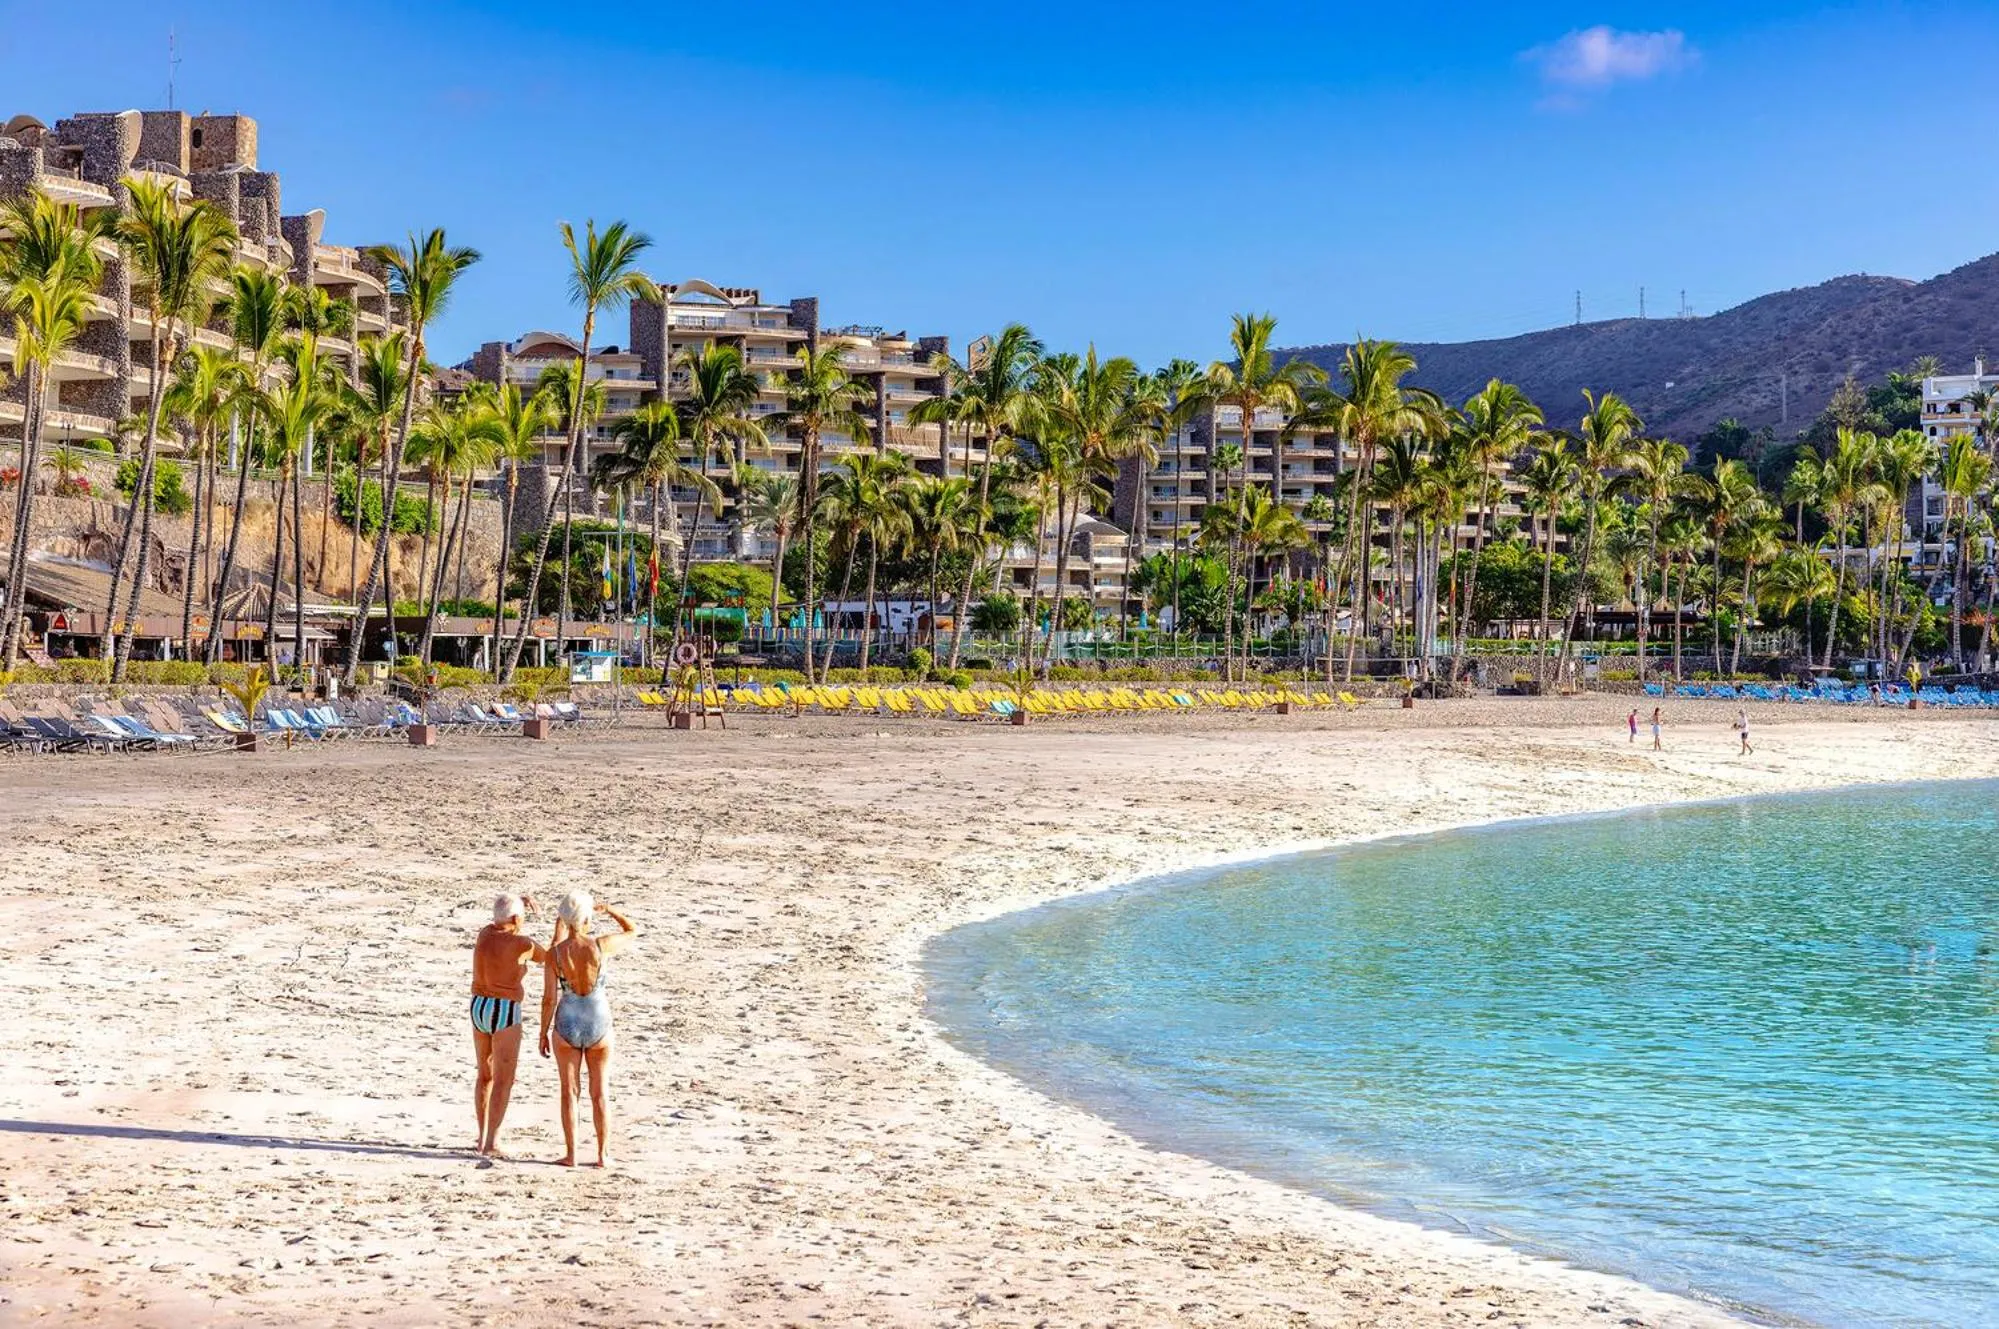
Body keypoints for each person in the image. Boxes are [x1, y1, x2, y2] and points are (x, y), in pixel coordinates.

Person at [540, 890, 638, 1168]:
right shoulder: (601, 945)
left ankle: (571, 1154)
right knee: (600, 1092)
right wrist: (610, 910)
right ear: (586, 917)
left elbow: (549, 999)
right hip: (598, 1021)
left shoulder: (555, 954)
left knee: (569, 1091)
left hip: (567, 1022)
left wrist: (543, 1032)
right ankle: (602, 1154)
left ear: (564, 919)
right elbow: (632, 931)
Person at [469, 893, 547, 1158]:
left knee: (485, 1075)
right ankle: (492, 1142)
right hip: (504, 1008)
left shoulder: (484, 935)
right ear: (516, 919)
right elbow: (548, 956)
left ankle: (482, 1137)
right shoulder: (522, 943)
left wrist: (517, 908)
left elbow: (501, 924)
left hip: (479, 1004)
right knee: (504, 1079)